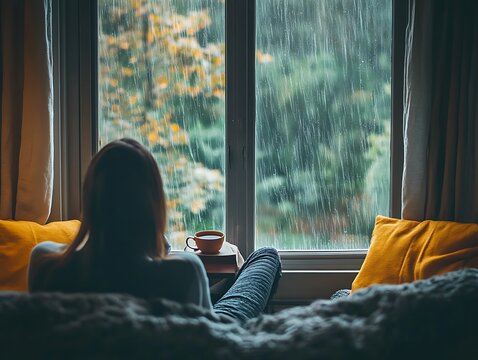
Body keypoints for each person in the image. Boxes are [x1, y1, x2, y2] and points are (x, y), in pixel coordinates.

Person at [28, 138, 281, 321]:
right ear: (152, 206)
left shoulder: (45, 262)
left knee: (220, 288)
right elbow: (208, 340)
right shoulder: (184, 271)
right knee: (266, 256)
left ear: (90, 198)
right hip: (217, 331)